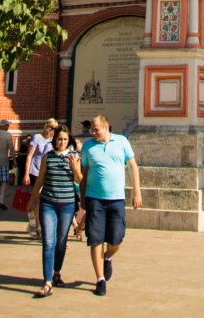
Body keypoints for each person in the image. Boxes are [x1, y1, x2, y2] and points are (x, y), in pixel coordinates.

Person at [80, 114, 142, 297]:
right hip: (94, 199)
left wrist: (137, 192)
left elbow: (132, 166)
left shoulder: (122, 142)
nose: (93, 132)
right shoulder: (87, 146)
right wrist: (83, 200)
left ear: (106, 128)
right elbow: (83, 173)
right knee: (95, 239)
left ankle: (107, 256)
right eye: (92, 129)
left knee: (116, 239)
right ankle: (100, 280)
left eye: (96, 129)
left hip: (116, 199)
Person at [28, 124, 83, 296]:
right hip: (48, 203)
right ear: (54, 140)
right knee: (48, 242)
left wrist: (74, 167)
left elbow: (79, 180)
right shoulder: (48, 157)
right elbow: (40, 180)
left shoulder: (74, 156)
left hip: (67, 205)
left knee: (61, 241)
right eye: (59, 139)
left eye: (65, 140)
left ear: (69, 141)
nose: (62, 142)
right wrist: (31, 200)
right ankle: (47, 282)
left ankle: (57, 272)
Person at [24, 118, 57, 187]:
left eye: (55, 129)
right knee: (39, 193)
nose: (53, 130)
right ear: (47, 127)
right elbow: (29, 156)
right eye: (52, 128)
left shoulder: (54, 141)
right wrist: (26, 174)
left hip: (48, 173)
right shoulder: (37, 138)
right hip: (36, 172)